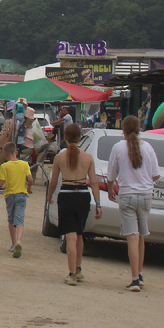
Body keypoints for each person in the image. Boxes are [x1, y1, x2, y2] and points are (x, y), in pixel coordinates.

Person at [107, 115, 160, 292]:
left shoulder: (118, 148)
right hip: (145, 195)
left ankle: (134, 278)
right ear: (139, 129)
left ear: (123, 129)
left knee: (132, 236)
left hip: (127, 195)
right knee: (141, 235)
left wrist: (110, 189)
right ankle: (141, 273)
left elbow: (111, 175)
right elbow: (156, 174)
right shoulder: (148, 147)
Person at [46, 121, 102, 285]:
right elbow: (94, 182)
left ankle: (71, 273)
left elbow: (54, 181)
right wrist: (98, 203)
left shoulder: (59, 157)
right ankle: (78, 268)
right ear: (79, 137)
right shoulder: (88, 158)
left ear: (65, 137)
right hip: (83, 195)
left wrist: (50, 197)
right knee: (79, 234)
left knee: (70, 236)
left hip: (66, 195)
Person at [0, 143, 31, 258]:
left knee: (11, 219)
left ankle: (13, 244)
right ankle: (19, 240)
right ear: (16, 153)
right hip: (22, 194)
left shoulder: (4, 166)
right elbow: (30, 179)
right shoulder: (24, 164)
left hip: (10, 195)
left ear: (6, 154)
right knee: (20, 218)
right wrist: (29, 187)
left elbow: (0, 183)